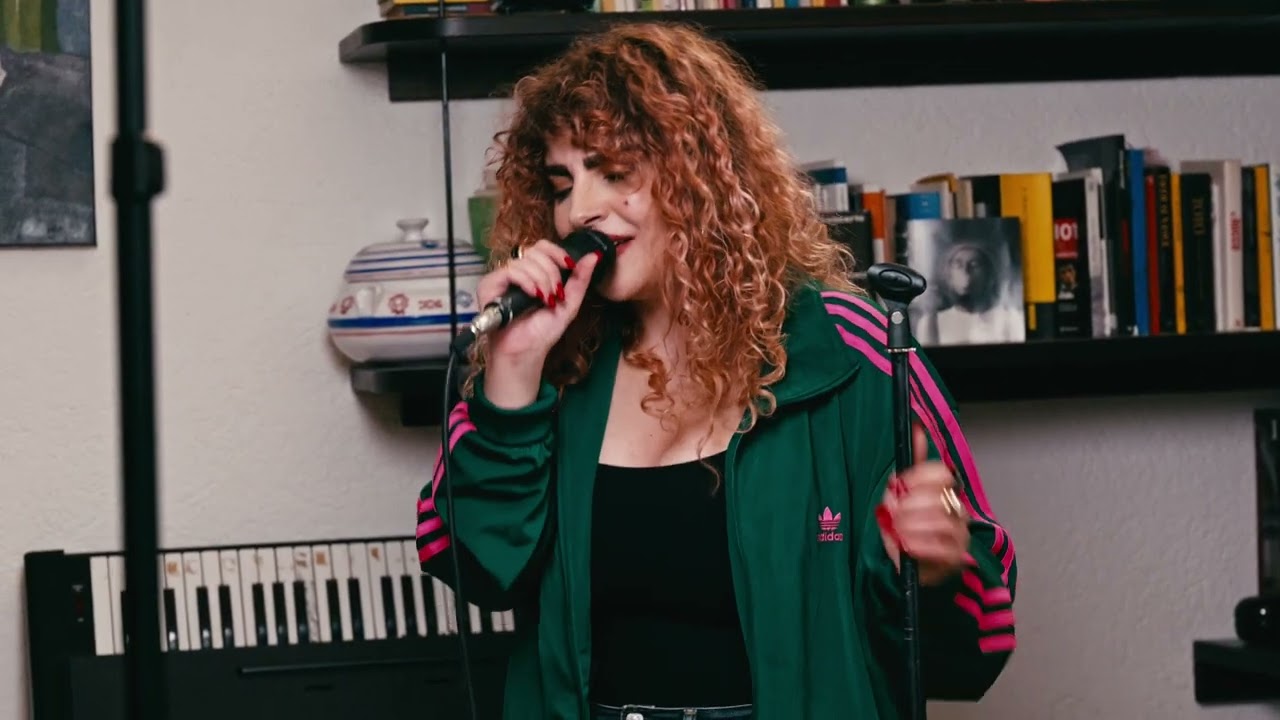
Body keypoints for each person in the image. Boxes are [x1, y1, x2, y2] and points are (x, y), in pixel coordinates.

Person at [415, 21, 1017, 720]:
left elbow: (978, 644)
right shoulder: (553, 362)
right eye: (562, 183)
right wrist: (512, 377)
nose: (578, 211)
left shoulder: (853, 349)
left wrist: (939, 568)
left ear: (698, 176)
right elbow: (471, 567)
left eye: (614, 172)